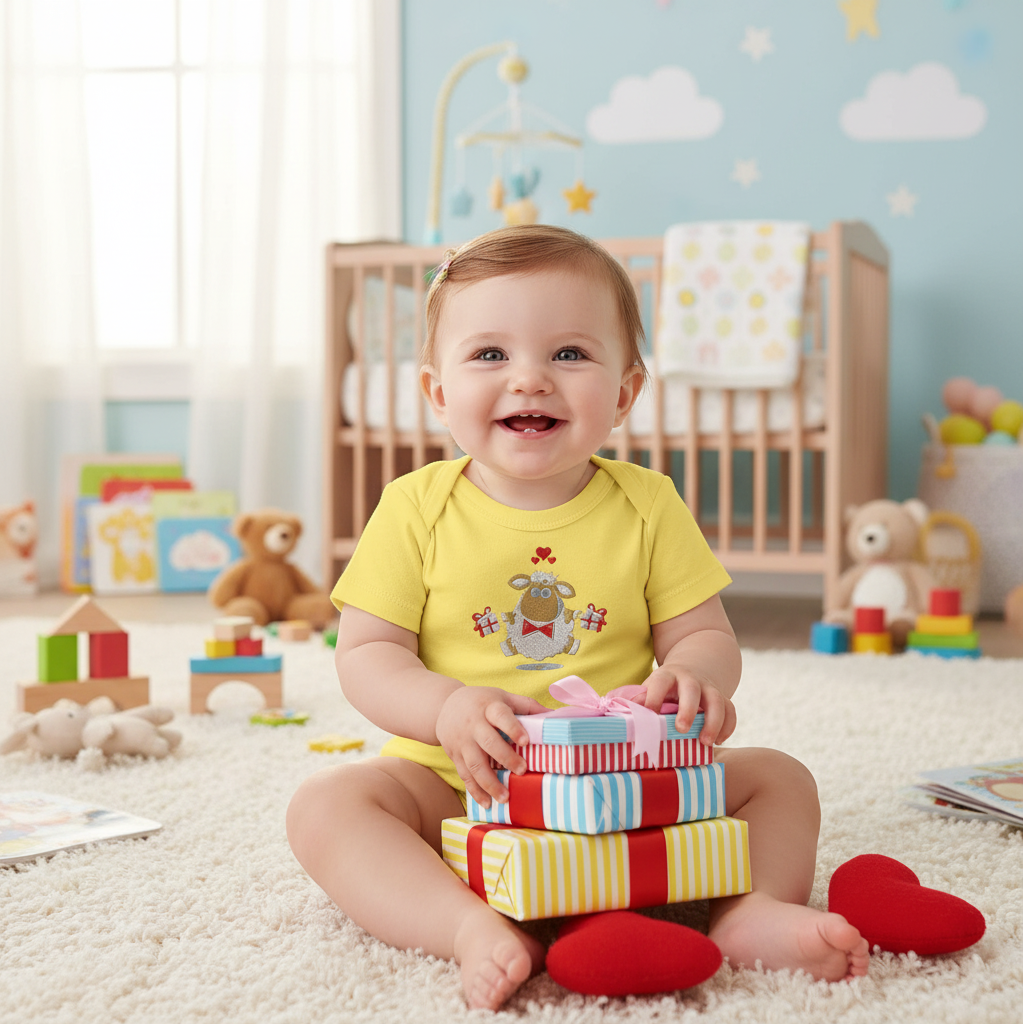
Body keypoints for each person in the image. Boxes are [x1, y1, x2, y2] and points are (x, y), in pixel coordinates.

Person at [286, 224, 869, 1011]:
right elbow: (368, 655)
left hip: (634, 788)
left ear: (626, 392)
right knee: (327, 806)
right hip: (463, 787)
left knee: (780, 779)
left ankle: (745, 911)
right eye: (490, 355)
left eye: (569, 354)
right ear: (437, 392)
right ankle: (468, 926)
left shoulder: (647, 504)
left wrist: (694, 677)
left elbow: (704, 633)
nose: (530, 380)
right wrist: (448, 708)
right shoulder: (413, 506)